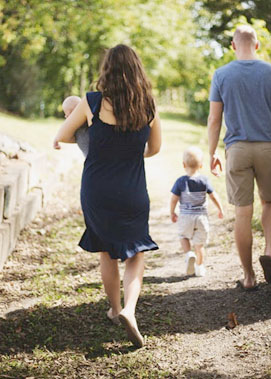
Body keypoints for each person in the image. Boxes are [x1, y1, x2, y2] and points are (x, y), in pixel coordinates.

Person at [54, 44, 161, 347]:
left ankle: (114, 309)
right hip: (132, 190)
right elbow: (154, 149)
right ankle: (130, 308)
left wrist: (97, 144)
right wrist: (129, 152)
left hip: (97, 189)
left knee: (106, 251)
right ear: (137, 71)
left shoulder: (91, 102)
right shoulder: (149, 106)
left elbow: (62, 134)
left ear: (107, 70)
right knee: (135, 253)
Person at [208, 24, 271, 290]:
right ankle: (268, 250)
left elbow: (214, 119)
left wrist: (211, 153)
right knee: (270, 201)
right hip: (268, 147)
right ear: (257, 45)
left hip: (237, 150)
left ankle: (249, 276)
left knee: (243, 213)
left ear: (233, 45)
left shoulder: (221, 75)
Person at [170, 146, 223, 277]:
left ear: (183, 164)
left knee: (183, 236)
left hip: (186, 216)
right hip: (201, 217)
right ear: (201, 165)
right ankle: (199, 268)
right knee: (200, 245)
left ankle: (189, 254)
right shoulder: (204, 180)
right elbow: (213, 196)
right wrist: (220, 209)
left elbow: (174, 199)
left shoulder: (180, 181)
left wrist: (172, 212)